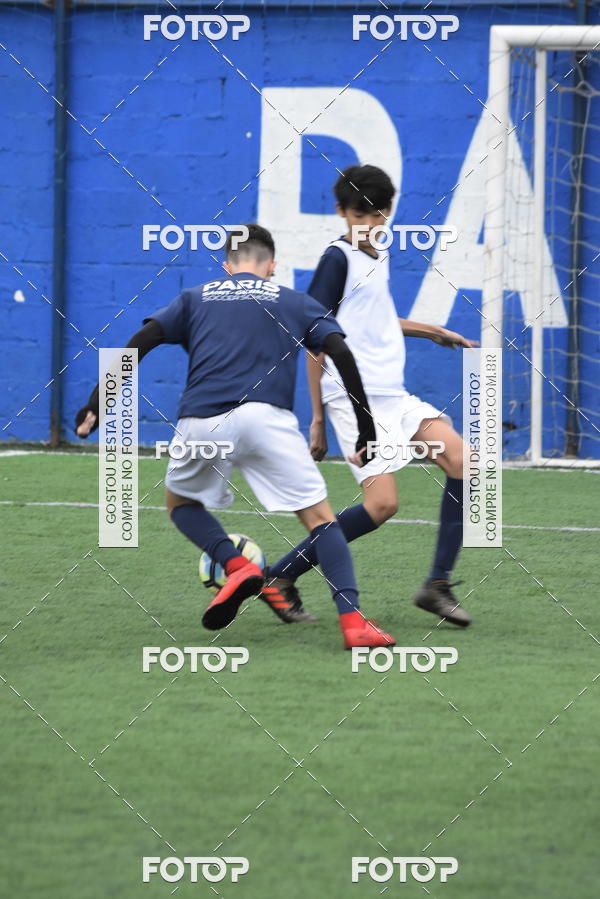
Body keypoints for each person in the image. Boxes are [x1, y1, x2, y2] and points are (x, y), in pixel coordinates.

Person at [75, 224, 394, 649]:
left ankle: (235, 565)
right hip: (268, 421)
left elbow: (141, 342)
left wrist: (98, 401)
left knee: (180, 504)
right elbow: (339, 352)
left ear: (226, 267)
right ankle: (354, 624)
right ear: (273, 266)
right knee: (321, 521)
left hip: (202, 421)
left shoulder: (195, 297)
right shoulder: (294, 301)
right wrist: (366, 428)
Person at [265, 166, 477, 627]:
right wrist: (317, 419)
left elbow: (374, 320)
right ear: (341, 211)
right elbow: (314, 336)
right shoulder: (337, 259)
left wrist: (430, 330)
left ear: (390, 210)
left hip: (393, 396)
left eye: (378, 212)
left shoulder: (376, 254)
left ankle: (436, 585)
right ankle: (279, 576)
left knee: (463, 459)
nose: (370, 221)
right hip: (351, 400)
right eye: (360, 212)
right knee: (382, 506)